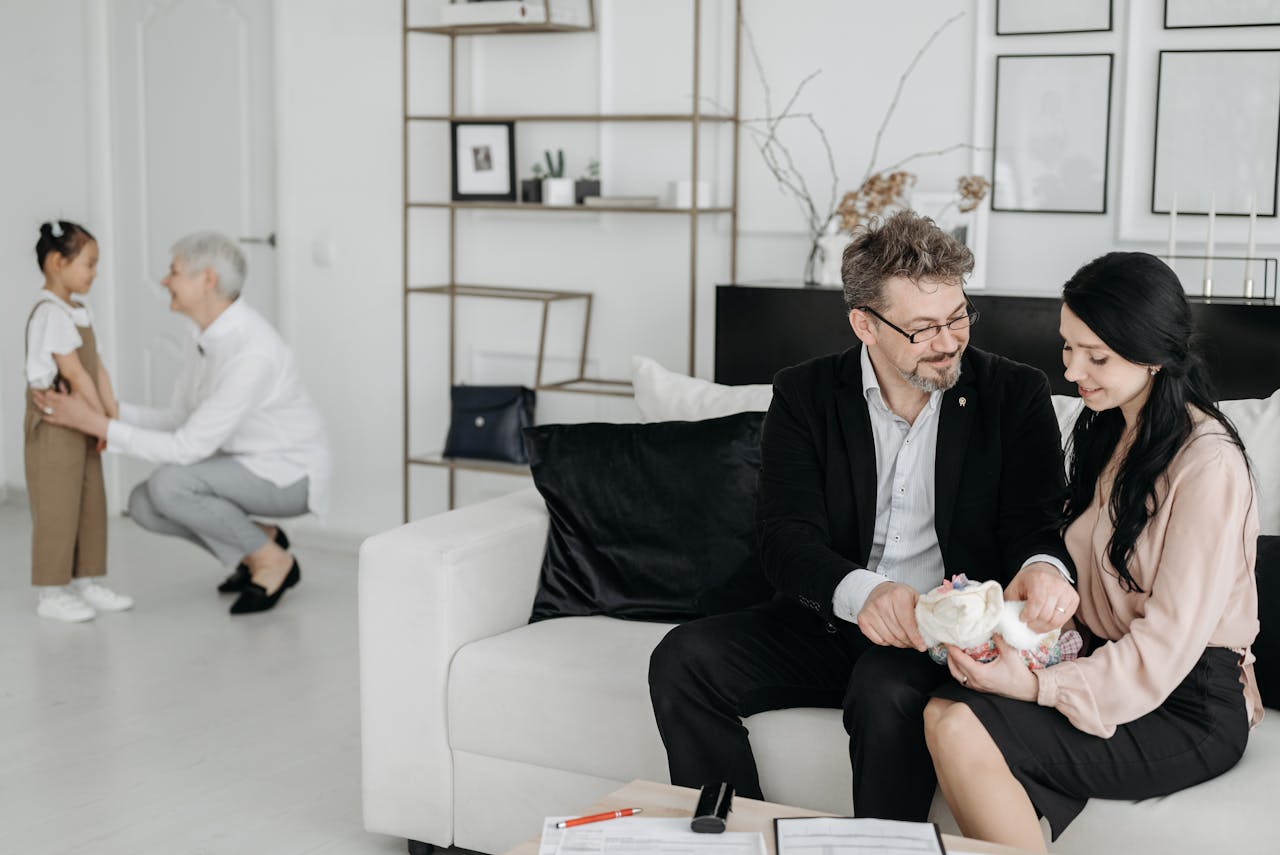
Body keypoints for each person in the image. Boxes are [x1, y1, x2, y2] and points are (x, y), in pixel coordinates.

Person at [648, 210, 1078, 821]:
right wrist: (865, 593)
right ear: (864, 324)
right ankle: (733, 836)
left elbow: (1036, 522)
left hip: (934, 639)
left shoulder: (1014, 393)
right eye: (923, 328)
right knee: (682, 659)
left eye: (958, 317)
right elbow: (785, 537)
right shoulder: (804, 393)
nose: (949, 341)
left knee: (885, 691)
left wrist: (1043, 567)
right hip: (827, 619)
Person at [924, 252, 1262, 852]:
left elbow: (1167, 647)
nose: (1072, 369)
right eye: (1067, 347)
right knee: (940, 712)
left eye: (1096, 357)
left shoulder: (1208, 463)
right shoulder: (1108, 429)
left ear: (1153, 354)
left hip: (1186, 702)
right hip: (1108, 667)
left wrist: (1038, 688)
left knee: (961, 727)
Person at [36, 231, 331, 616]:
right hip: (242, 462)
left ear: (207, 279)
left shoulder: (251, 353)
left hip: (289, 473)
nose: (163, 280)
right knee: (144, 504)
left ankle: (272, 561)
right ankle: (261, 542)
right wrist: (111, 413)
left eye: (173, 271)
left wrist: (96, 425)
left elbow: (188, 447)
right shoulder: (205, 335)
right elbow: (180, 420)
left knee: (170, 485)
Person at [24, 220, 133, 622]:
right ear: (58, 262)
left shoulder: (78, 311)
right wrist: (101, 421)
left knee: (89, 501)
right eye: (89, 264)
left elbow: (95, 366)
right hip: (57, 423)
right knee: (58, 504)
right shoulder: (50, 313)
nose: (95, 273)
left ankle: (87, 580)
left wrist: (110, 413)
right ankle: (51, 592)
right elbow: (73, 373)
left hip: (83, 417)